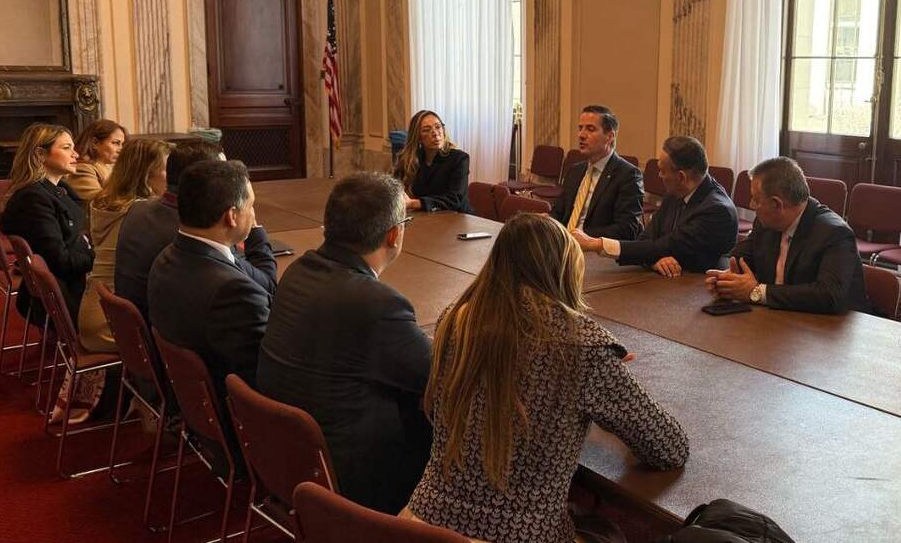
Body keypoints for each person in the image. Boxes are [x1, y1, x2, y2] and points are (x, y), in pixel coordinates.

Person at [403, 213, 689, 543]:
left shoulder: (456, 321)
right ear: (563, 269)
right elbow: (668, 447)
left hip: (423, 524)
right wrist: (607, 378)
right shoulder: (583, 346)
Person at [257, 172, 432, 515]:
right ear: (394, 234)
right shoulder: (377, 304)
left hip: (285, 458)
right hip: (350, 477)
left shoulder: (298, 270)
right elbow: (441, 377)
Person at [148, 160, 274, 473]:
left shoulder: (171, 255)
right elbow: (268, 375)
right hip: (237, 427)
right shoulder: (229, 290)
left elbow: (263, 286)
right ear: (232, 215)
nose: (254, 214)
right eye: (251, 206)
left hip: (196, 411)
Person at [115, 140, 275, 323]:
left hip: (154, 326)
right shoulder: (195, 233)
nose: (232, 179)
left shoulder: (138, 209)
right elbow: (267, 287)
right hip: (174, 330)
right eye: (222, 171)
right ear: (200, 178)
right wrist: (252, 227)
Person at [706, 157, 870, 314]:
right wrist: (726, 281)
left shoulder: (835, 233)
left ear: (777, 204)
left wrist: (756, 292)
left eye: (756, 199)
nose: (751, 205)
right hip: (781, 321)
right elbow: (741, 256)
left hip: (832, 331)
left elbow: (829, 295)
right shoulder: (767, 222)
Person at [572, 136, 738, 275]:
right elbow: (647, 239)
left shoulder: (717, 211)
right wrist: (654, 259)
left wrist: (596, 243)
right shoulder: (677, 191)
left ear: (681, 176)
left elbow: (667, 246)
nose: (659, 175)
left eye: (663, 171)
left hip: (697, 291)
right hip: (667, 282)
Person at [78, 138, 172, 354]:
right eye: (168, 169)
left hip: (96, 309)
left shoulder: (106, 200)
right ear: (147, 174)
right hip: (113, 325)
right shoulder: (143, 212)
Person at [0, 123, 94, 325]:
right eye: (67, 148)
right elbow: (61, 262)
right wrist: (98, 258)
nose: (76, 154)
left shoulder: (56, 189)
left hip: (69, 283)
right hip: (66, 293)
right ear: (41, 155)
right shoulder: (33, 199)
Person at [550, 105, 644, 240]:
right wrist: (547, 222)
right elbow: (558, 213)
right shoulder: (575, 170)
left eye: (590, 129)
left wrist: (585, 237)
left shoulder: (628, 175)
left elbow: (627, 228)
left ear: (609, 136)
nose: (581, 135)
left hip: (597, 250)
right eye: (580, 128)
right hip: (566, 243)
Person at [395, 110, 473, 213]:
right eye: (426, 130)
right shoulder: (411, 159)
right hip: (426, 217)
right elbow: (396, 189)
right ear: (418, 137)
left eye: (438, 127)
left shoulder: (459, 159)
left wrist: (414, 203)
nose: (435, 133)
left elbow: (455, 199)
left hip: (457, 218)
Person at [64, 119, 128, 212]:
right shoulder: (83, 168)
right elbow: (100, 203)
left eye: (122, 144)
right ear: (95, 143)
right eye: (115, 143)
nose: (120, 149)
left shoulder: (109, 167)